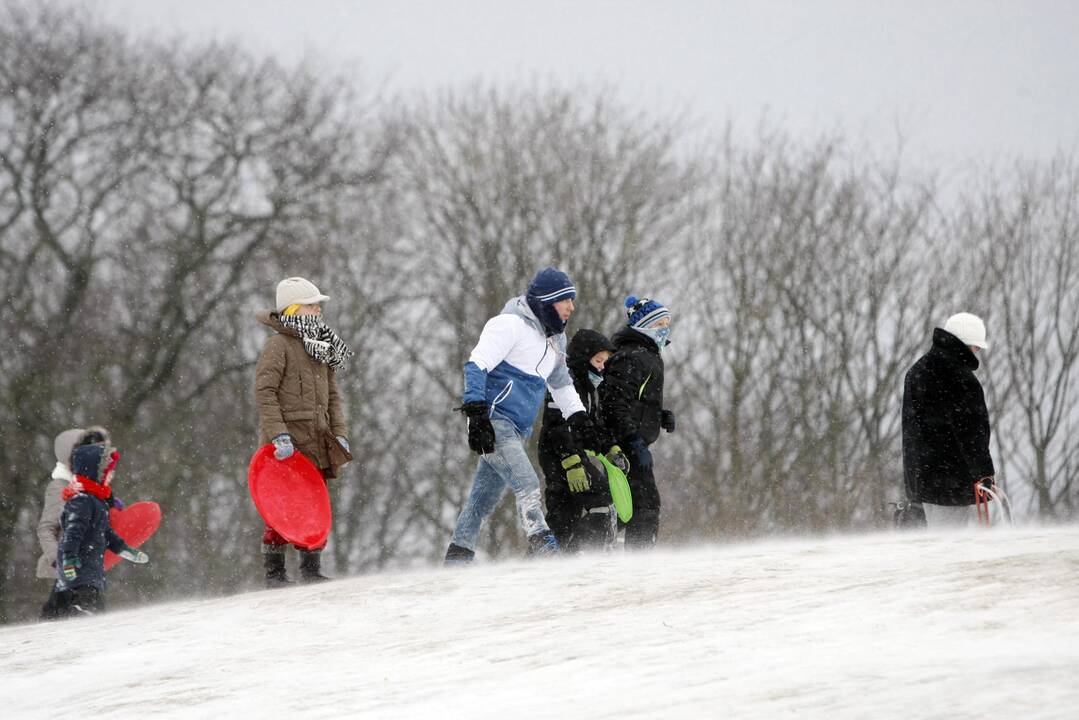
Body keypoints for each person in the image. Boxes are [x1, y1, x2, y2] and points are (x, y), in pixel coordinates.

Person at [444, 267, 594, 563]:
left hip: (518, 430)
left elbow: (561, 382)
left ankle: (457, 557)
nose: (571, 307)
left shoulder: (555, 340)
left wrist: (578, 417)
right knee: (526, 482)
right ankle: (542, 542)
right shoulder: (508, 324)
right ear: (549, 301)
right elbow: (476, 364)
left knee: (482, 500)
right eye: (566, 300)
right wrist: (476, 414)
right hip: (494, 422)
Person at [255, 276, 353, 586]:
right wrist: (277, 434)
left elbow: (333, 396)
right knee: (281, 508)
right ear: (295, 310)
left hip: (318, 442)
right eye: (312, 305)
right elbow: (265, 392)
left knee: (316, 505)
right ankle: (275, 573)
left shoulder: (322, 346)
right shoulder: (278, 346)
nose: (318, 311)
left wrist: (339, 431)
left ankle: (311, 568)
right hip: (286, 446)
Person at [902, 312, 996, 529]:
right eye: (976, 346)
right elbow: (971, 431)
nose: (978, 351)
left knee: (935, 538)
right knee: (952, 545)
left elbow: (911, 431)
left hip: (923, 478)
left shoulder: (917, 370)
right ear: (965, 345)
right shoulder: (961, 378)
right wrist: (983, 471)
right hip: (952, 479)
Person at [537, 328, 626, 551]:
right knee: (602, 500)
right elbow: (558, 427)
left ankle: (549, 558)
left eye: (605, 361)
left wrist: (610, 448)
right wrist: (571, 462)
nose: (602, 367)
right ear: (583, 358)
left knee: (564, 514)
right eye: (598, 360)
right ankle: (580, 553)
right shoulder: (566, 384)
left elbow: (590, 428)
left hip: (573, 455)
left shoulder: (588, 389)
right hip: (559, 455)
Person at [599, 296, 675, 548]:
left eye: (668, 323)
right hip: (624, 445)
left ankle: (596, 543)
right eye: (661, 323)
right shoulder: (631, 357)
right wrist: (632, 440)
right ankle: (638, 560)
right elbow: (615, 404)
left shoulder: (649, 355)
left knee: (625, 506)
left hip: (634, 442)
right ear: (646, 324)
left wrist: (659, 415)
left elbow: (638, 401)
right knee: (644, 504)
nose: (666, 328)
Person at [51, 442, 149, 617]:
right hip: (78, 570)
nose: (112, 475)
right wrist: (69, 558)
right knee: (85, 611)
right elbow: (73, 531)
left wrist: (125, 550)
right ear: (95, 473)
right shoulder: (81, 501)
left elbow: (106, 533)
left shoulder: (97, 501)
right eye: (108, 471)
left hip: (89, 570)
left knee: (94, 611)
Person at [38, 427, 118, 619]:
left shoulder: (93, 488)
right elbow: (46, 529)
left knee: (91, 622)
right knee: (69, 621)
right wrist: (60, 559)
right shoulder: (60, 488)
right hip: (70, 572)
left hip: (87, 571)